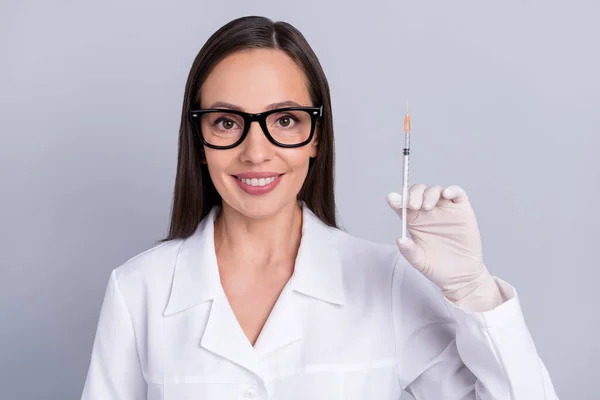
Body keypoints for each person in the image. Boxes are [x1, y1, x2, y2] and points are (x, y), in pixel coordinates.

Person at [81, 15, 558, 400]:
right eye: (227, 122)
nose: (256, 152)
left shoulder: (385, 283)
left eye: (285, 120)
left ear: (318, 138)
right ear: (198, 139)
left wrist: (473, 292)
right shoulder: (138, 291)